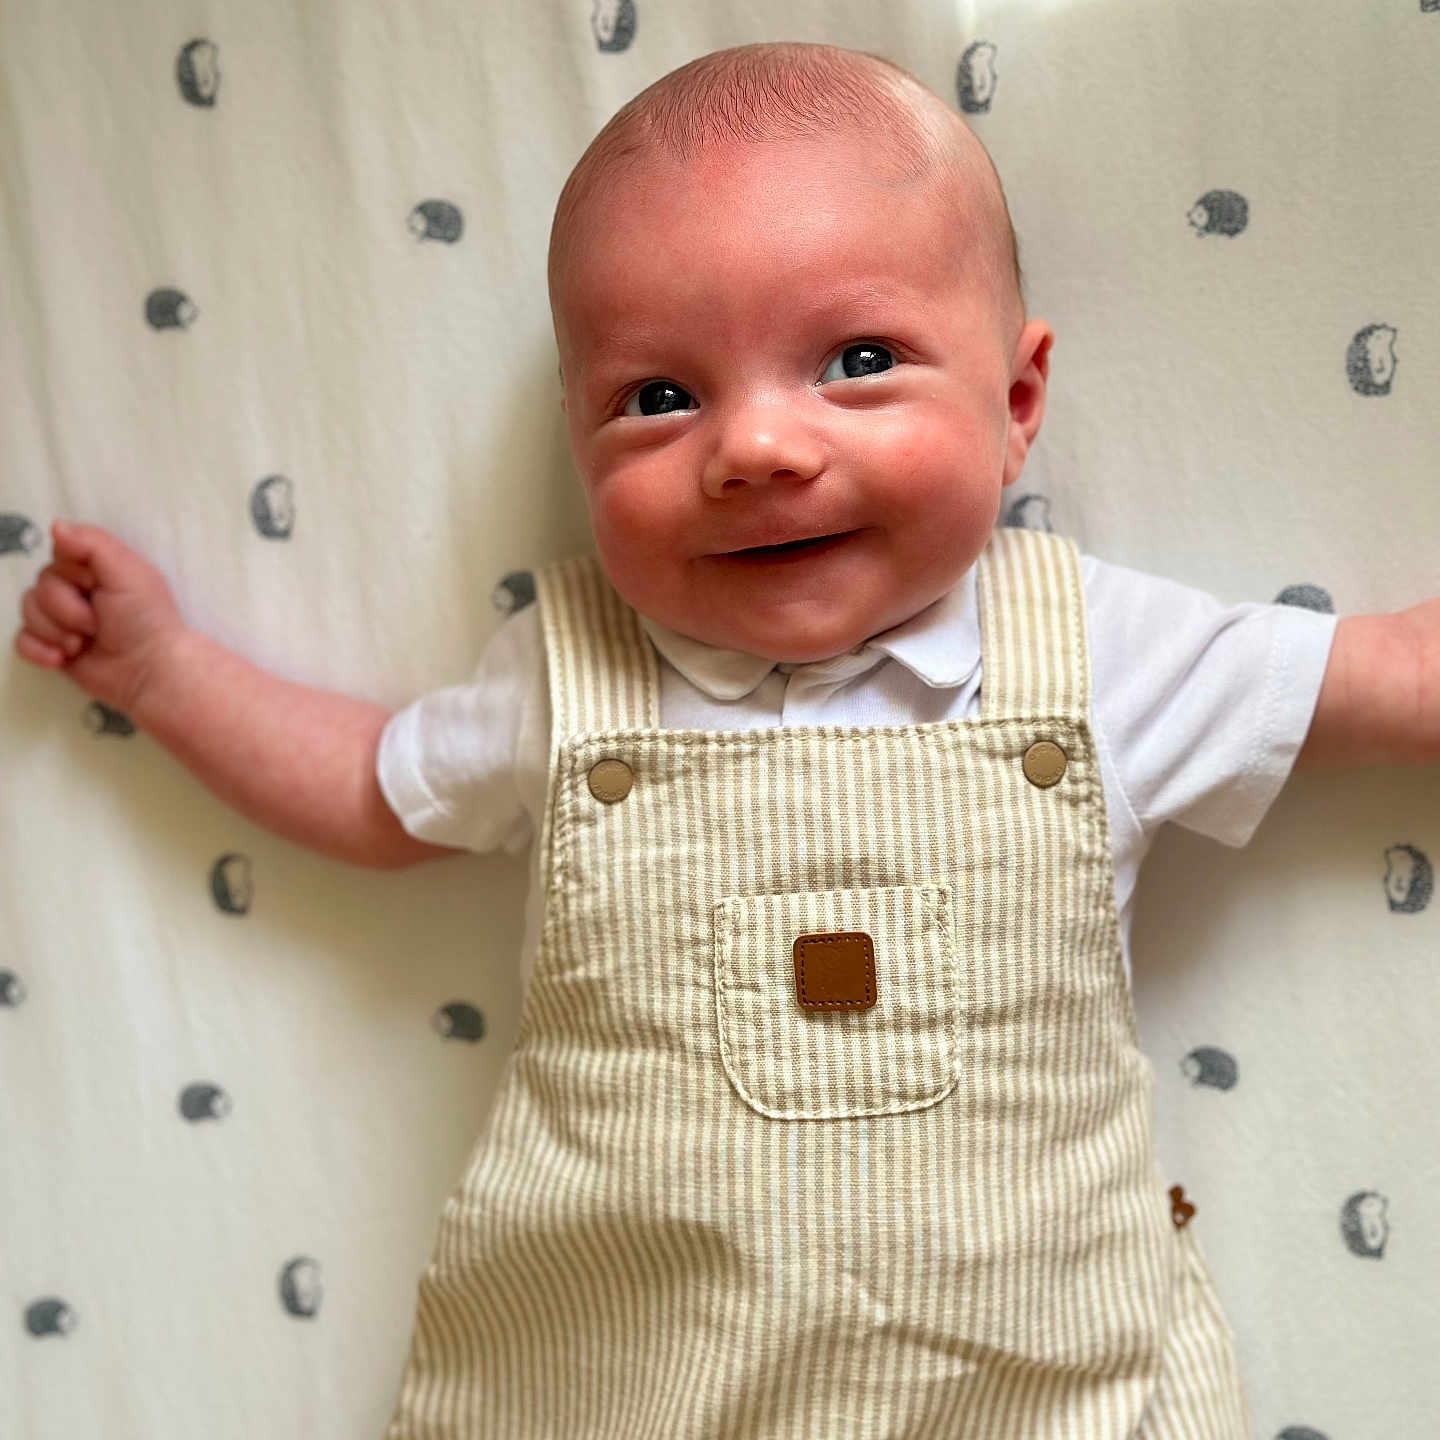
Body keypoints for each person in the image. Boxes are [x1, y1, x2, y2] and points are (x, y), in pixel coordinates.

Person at [14, 41, 1438, 1439]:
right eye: (659, 397)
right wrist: (163, 669)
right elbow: (372, 791)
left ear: (1014, 404)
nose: (754, 446)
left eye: (858, 361)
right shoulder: (571, 676)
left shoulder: (1098, 654)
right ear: (580, 449)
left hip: (1041, 1388)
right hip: (621, 1383)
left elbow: (1383, 675)